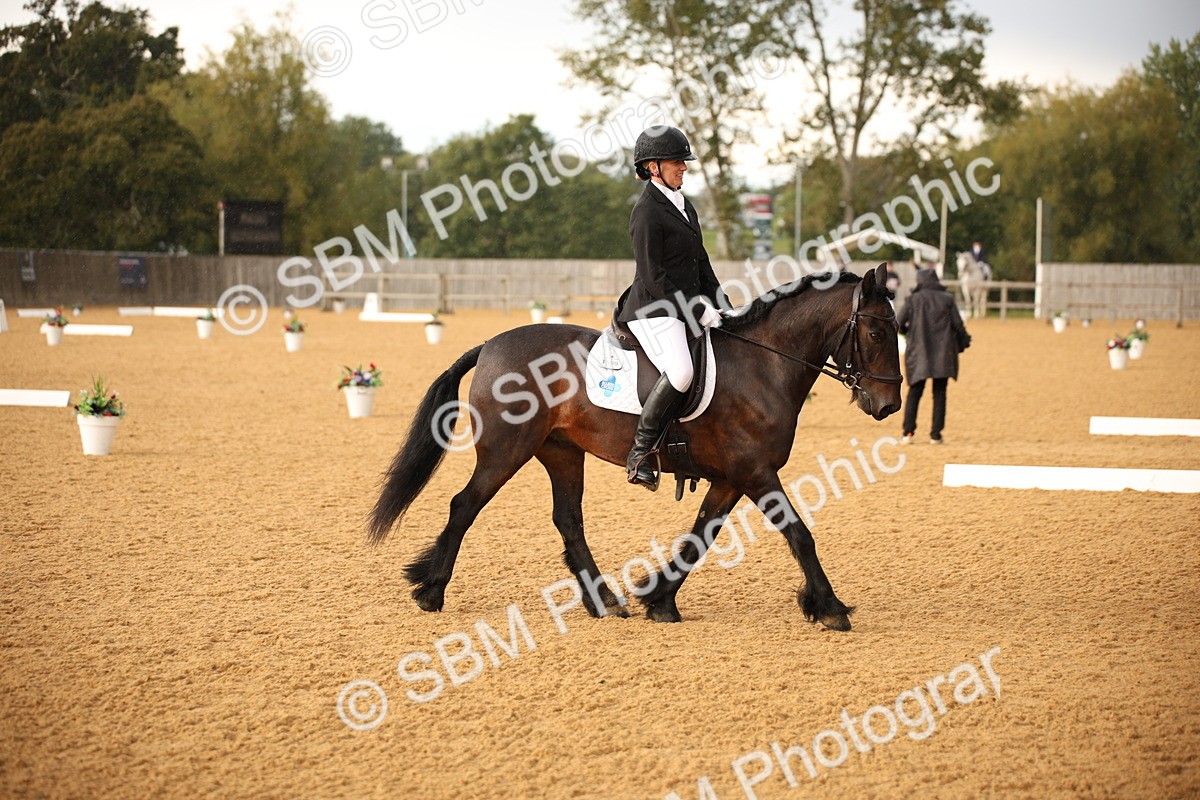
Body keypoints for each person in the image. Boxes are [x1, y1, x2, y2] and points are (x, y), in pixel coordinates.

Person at [615, 126, 727, 489]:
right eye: (677, 161)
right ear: (652, 167)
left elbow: (701, 261)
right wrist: (695, 310)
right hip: (654, 309)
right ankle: (640, 452)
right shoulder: (646, 212)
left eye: (684, 161)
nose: (684, 167)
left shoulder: (683, 203)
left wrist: (722, 305)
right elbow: (653, 276)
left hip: (682, 305)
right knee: (681, 372)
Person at [897, 268, 970, 444]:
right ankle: (935, 435)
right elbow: (958, 325)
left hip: (919, 351)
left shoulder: (913, 299)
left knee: (915, 392)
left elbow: (898, 323)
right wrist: (964, 341)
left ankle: (908, 433)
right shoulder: (947, 299)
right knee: (940, 393)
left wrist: (908, 332)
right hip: (943, 352)